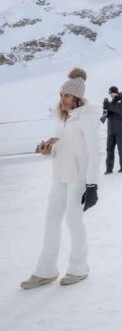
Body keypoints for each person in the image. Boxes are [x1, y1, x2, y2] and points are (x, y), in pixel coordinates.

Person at [20, 67, 99, 289]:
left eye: (66, 95)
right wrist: (49, 150)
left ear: (77, 98)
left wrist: (92, 184)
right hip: (60, 175)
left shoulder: (87, 117)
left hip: (79, 178)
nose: (62, 99)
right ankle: (46, 270)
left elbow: (94, 152)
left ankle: (79, 268)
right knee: (51, 220)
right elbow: (61, 146)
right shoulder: (62, 119)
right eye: (60, 95)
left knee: (73, 221)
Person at [102, 85, 122, 173]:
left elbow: (120, 110)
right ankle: (109, 169)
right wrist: (105, 108)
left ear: (116, 92)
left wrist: (109, 106)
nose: (111, 95)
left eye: (112, 93)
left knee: (121, 148)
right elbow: (107, 115)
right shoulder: (112, 102)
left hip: (120, 130)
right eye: (110, 94)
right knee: (109, 149)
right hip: (111, 130)